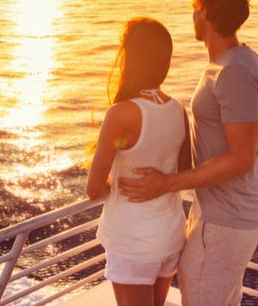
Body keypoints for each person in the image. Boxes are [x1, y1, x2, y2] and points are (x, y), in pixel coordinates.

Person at [119, 0, 258, 306]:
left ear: (205, 13)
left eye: (194, 7)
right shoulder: (231, 63)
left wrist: (168, 183)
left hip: (226, 219)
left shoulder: (234, 72)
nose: (192, 15)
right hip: (216, 212)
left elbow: (241, 158)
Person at [86, 17, 193, 306]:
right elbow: (184, 173)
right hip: (170, 235)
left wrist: (115, 184)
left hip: (134, 242)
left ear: (130, 58)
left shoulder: (121, 114)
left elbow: (93, 190)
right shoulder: (178, 110)